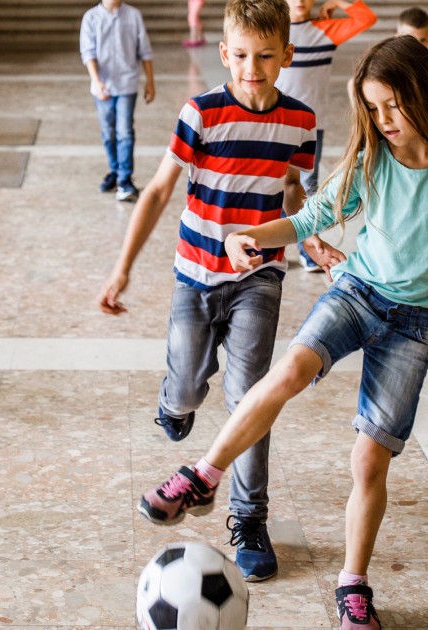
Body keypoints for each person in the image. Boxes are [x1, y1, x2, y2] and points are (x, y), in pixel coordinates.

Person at [138, 35, 428, 629]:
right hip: (356, 293)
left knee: (369, 460)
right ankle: (203, 476)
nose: (382, 121)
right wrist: (247, 236)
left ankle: (353, 586)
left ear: (425, 96)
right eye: (373, 109)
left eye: (392, 107)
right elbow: (307, 219)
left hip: (414, 325)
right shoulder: (369, 159)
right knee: (290, 371)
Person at [96, 0, 319, 582]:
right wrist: (122, 269)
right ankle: (175, 401)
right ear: (224, 54)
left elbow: (293, 192)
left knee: (252, 398)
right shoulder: (201, 114)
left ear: (286, 56)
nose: (253, 67)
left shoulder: (300, 121)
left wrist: (305, 231)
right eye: (242, 55)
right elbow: (158, 192)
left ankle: (250, 518)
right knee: (190, 386)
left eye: (267, 56)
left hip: (260, 276)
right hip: (195, 273)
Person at [276, 0, 376, 272]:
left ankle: (308, 249)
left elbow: (365, 18)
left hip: (310, 125)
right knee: (272, 185)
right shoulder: (274, 28)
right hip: (276, 121)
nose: (300, 2)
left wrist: (336, 2)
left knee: (306, 187)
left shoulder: (325, 30)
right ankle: (271, 245)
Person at [80, 0, 155, 202]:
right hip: (103, 86)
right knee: (108, 132)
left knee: (125, 131)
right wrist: (96, 81)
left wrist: (150, 81)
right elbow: (88, 52)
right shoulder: (91, 17)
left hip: (127, 84)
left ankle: (125, 179)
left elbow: (145, 50)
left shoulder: (133, 15)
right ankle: (114, 171)